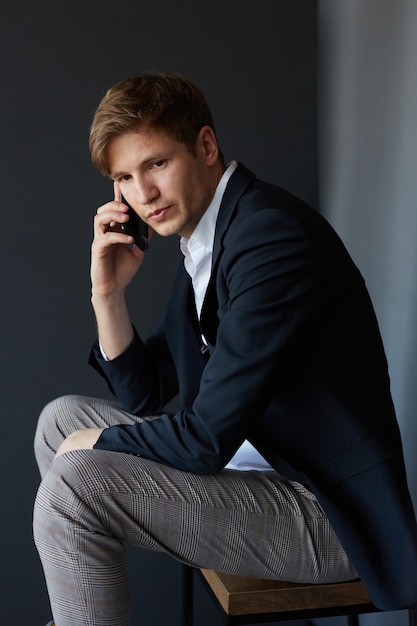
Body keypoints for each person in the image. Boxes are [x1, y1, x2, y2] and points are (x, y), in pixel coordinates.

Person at [34, 71, 417, 626]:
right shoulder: (206, 238)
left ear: (206, 146)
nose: (143, 195)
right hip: (249, 471)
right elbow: (148, 393)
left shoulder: (267, 239)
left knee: (76, 476)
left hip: (323, 511)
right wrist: (108, 293)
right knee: (58, 421)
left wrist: (96, 442)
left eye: (156, 164)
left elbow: (204, 440)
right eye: (125, 177)